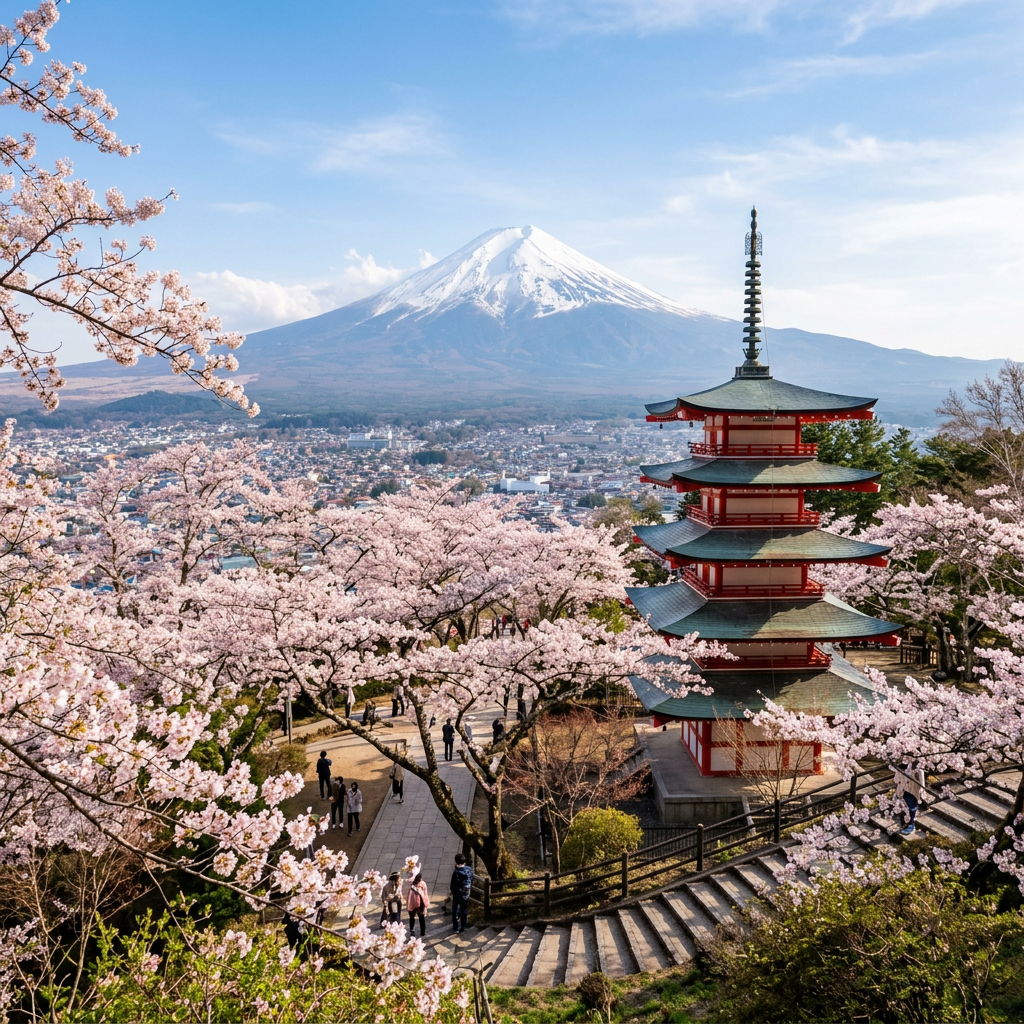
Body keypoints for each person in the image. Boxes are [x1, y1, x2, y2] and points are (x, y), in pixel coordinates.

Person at [894, 764, 927, 835]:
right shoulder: (903, 769)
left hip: (913, 792)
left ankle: (911, 825)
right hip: (902, 791)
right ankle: (905, 824)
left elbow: (922, 785)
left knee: (911, 808)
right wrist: (898, 771)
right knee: (902, 808)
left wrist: (921, 791)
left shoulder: (919, 771)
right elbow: (896, 780)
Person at [449, 853, 473, 933]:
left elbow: (453, 886)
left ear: (456, 862)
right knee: (464, 910)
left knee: (455, 911)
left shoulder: (456, 873)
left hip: (458, 895)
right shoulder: (469, 869)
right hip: (466, 894)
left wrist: (454, 892)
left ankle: (456, 928)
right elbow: (471, 879)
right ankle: (464, 926)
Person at [407, 871, 429, 937]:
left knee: (417, 917)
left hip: (417, 904)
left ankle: (418, 931)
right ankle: (418, 931)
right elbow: (425, 894)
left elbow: (425, 894)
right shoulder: (416, 884)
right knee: (417, 918)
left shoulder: (418, 885)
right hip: (417, 904)